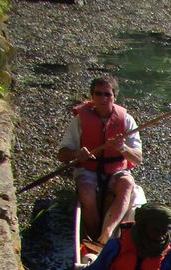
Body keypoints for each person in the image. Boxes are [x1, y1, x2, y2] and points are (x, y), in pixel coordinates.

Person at [57, 75, 143, 245]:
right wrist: (77, 154)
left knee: (127, 184)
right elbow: (62, 154)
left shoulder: (126, 120)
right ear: (92, 96)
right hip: (88, 169)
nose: (103, 98)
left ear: (114, 97)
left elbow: (138, 158)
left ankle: (108, 232)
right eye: (98, 94)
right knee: (87, 193)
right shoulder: (80, 120)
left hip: (116, 170)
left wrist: (123, 148)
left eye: (107, 94)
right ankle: (93, 237)